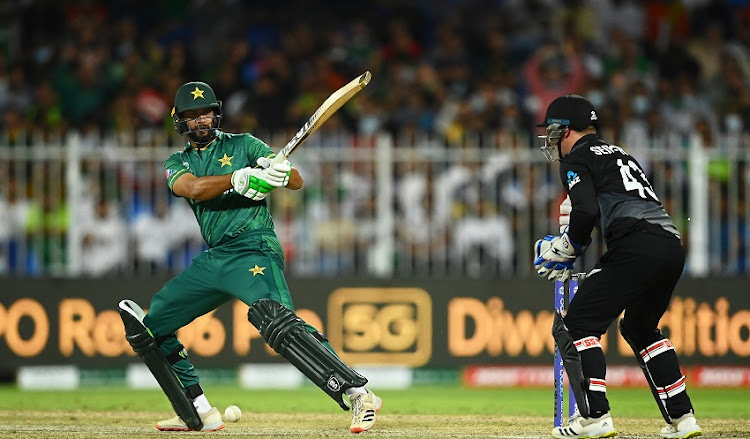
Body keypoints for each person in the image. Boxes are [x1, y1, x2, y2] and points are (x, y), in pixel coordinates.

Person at [118, 81, 382, 433]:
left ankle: (358, 392)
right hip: (215, 258)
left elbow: (298, 182)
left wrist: (281, 174)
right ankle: (195, 411)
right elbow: (194, 188)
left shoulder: (244, 144)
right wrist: (237, 178)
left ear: (217, 112)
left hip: (254, 248)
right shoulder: (177, 162)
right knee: (154, 327)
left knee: (275, 321)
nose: (202, 120)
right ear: (180, 121)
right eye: (193, 115)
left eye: (207, 112)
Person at [533, 94, 702, 439]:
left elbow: (585, 212)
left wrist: (567, 248)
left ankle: (595, 416)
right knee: (640, 328)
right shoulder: (620, 152)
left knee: (577, 324)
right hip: (670, 245)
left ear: (565, 130)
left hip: (636, 246)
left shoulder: (577, 158)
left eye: (552, 131)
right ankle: (683, 419)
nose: (550, 139)